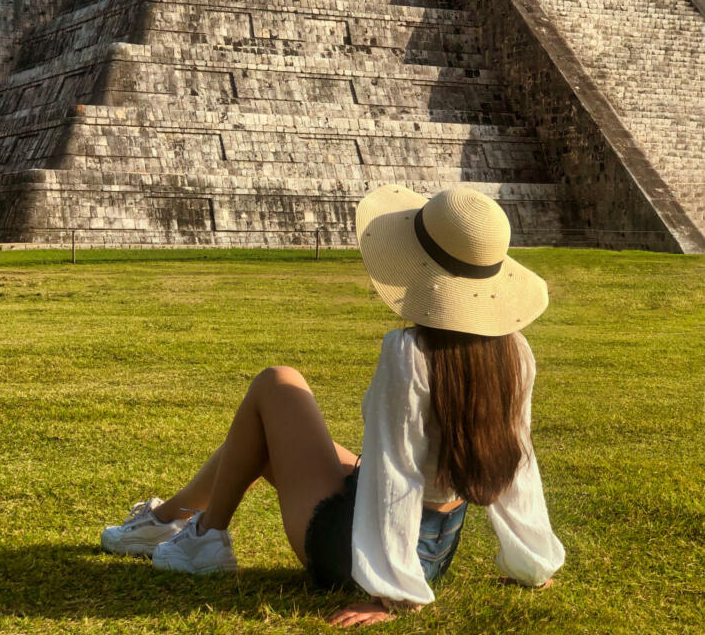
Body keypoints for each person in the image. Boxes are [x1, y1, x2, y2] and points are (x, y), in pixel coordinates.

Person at [100, 185, 565, 626]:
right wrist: (534, 563)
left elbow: (396, 471)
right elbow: (516, 463)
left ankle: (201, 542)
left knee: (276, 383)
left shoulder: (410, 354)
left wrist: (392, 593)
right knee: (270, 430)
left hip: (357, 551)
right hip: (433, 552)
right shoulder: (513, 352)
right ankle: (169, 522)